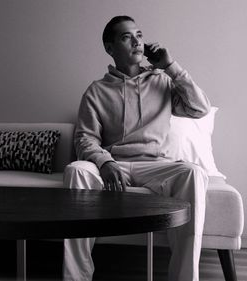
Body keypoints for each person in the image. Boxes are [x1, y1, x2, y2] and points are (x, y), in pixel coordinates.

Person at [63, 15, 211, 281]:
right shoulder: (96, 91)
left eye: (139, 35)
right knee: (76, 170)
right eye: (126, 36)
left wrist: (170, 66)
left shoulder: (163, 82)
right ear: (110, 48)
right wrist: (104, 162)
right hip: (114, 165)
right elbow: (85, 138)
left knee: (194, 173)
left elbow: (199, 109)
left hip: (157, 167)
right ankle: (77, 277)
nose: (137, 41)